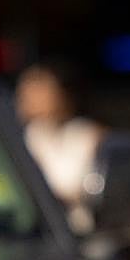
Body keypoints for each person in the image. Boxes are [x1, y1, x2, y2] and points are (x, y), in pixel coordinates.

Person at [13, 56, 103, 221]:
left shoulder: (88, 136)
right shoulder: (19, 138)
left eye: (40, 88)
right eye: (27, 89)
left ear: (63, 93)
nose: (30, 96)